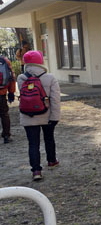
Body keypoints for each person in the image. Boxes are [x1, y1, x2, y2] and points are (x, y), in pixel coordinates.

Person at [17, 50, 60, 181]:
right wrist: (55, 117)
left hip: (28, 115)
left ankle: (36, 170)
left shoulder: (21, 78)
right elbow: (55, 100)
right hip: (46, 114)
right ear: (41, 61)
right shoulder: (50, 78)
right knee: (49, 138)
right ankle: (52, 161)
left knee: (33, 143)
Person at [0, 53, 16, 143]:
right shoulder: (5, 61)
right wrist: (11, 92)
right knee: (4, 114)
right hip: (1, 93)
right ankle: (6, 135)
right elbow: (11, 78)